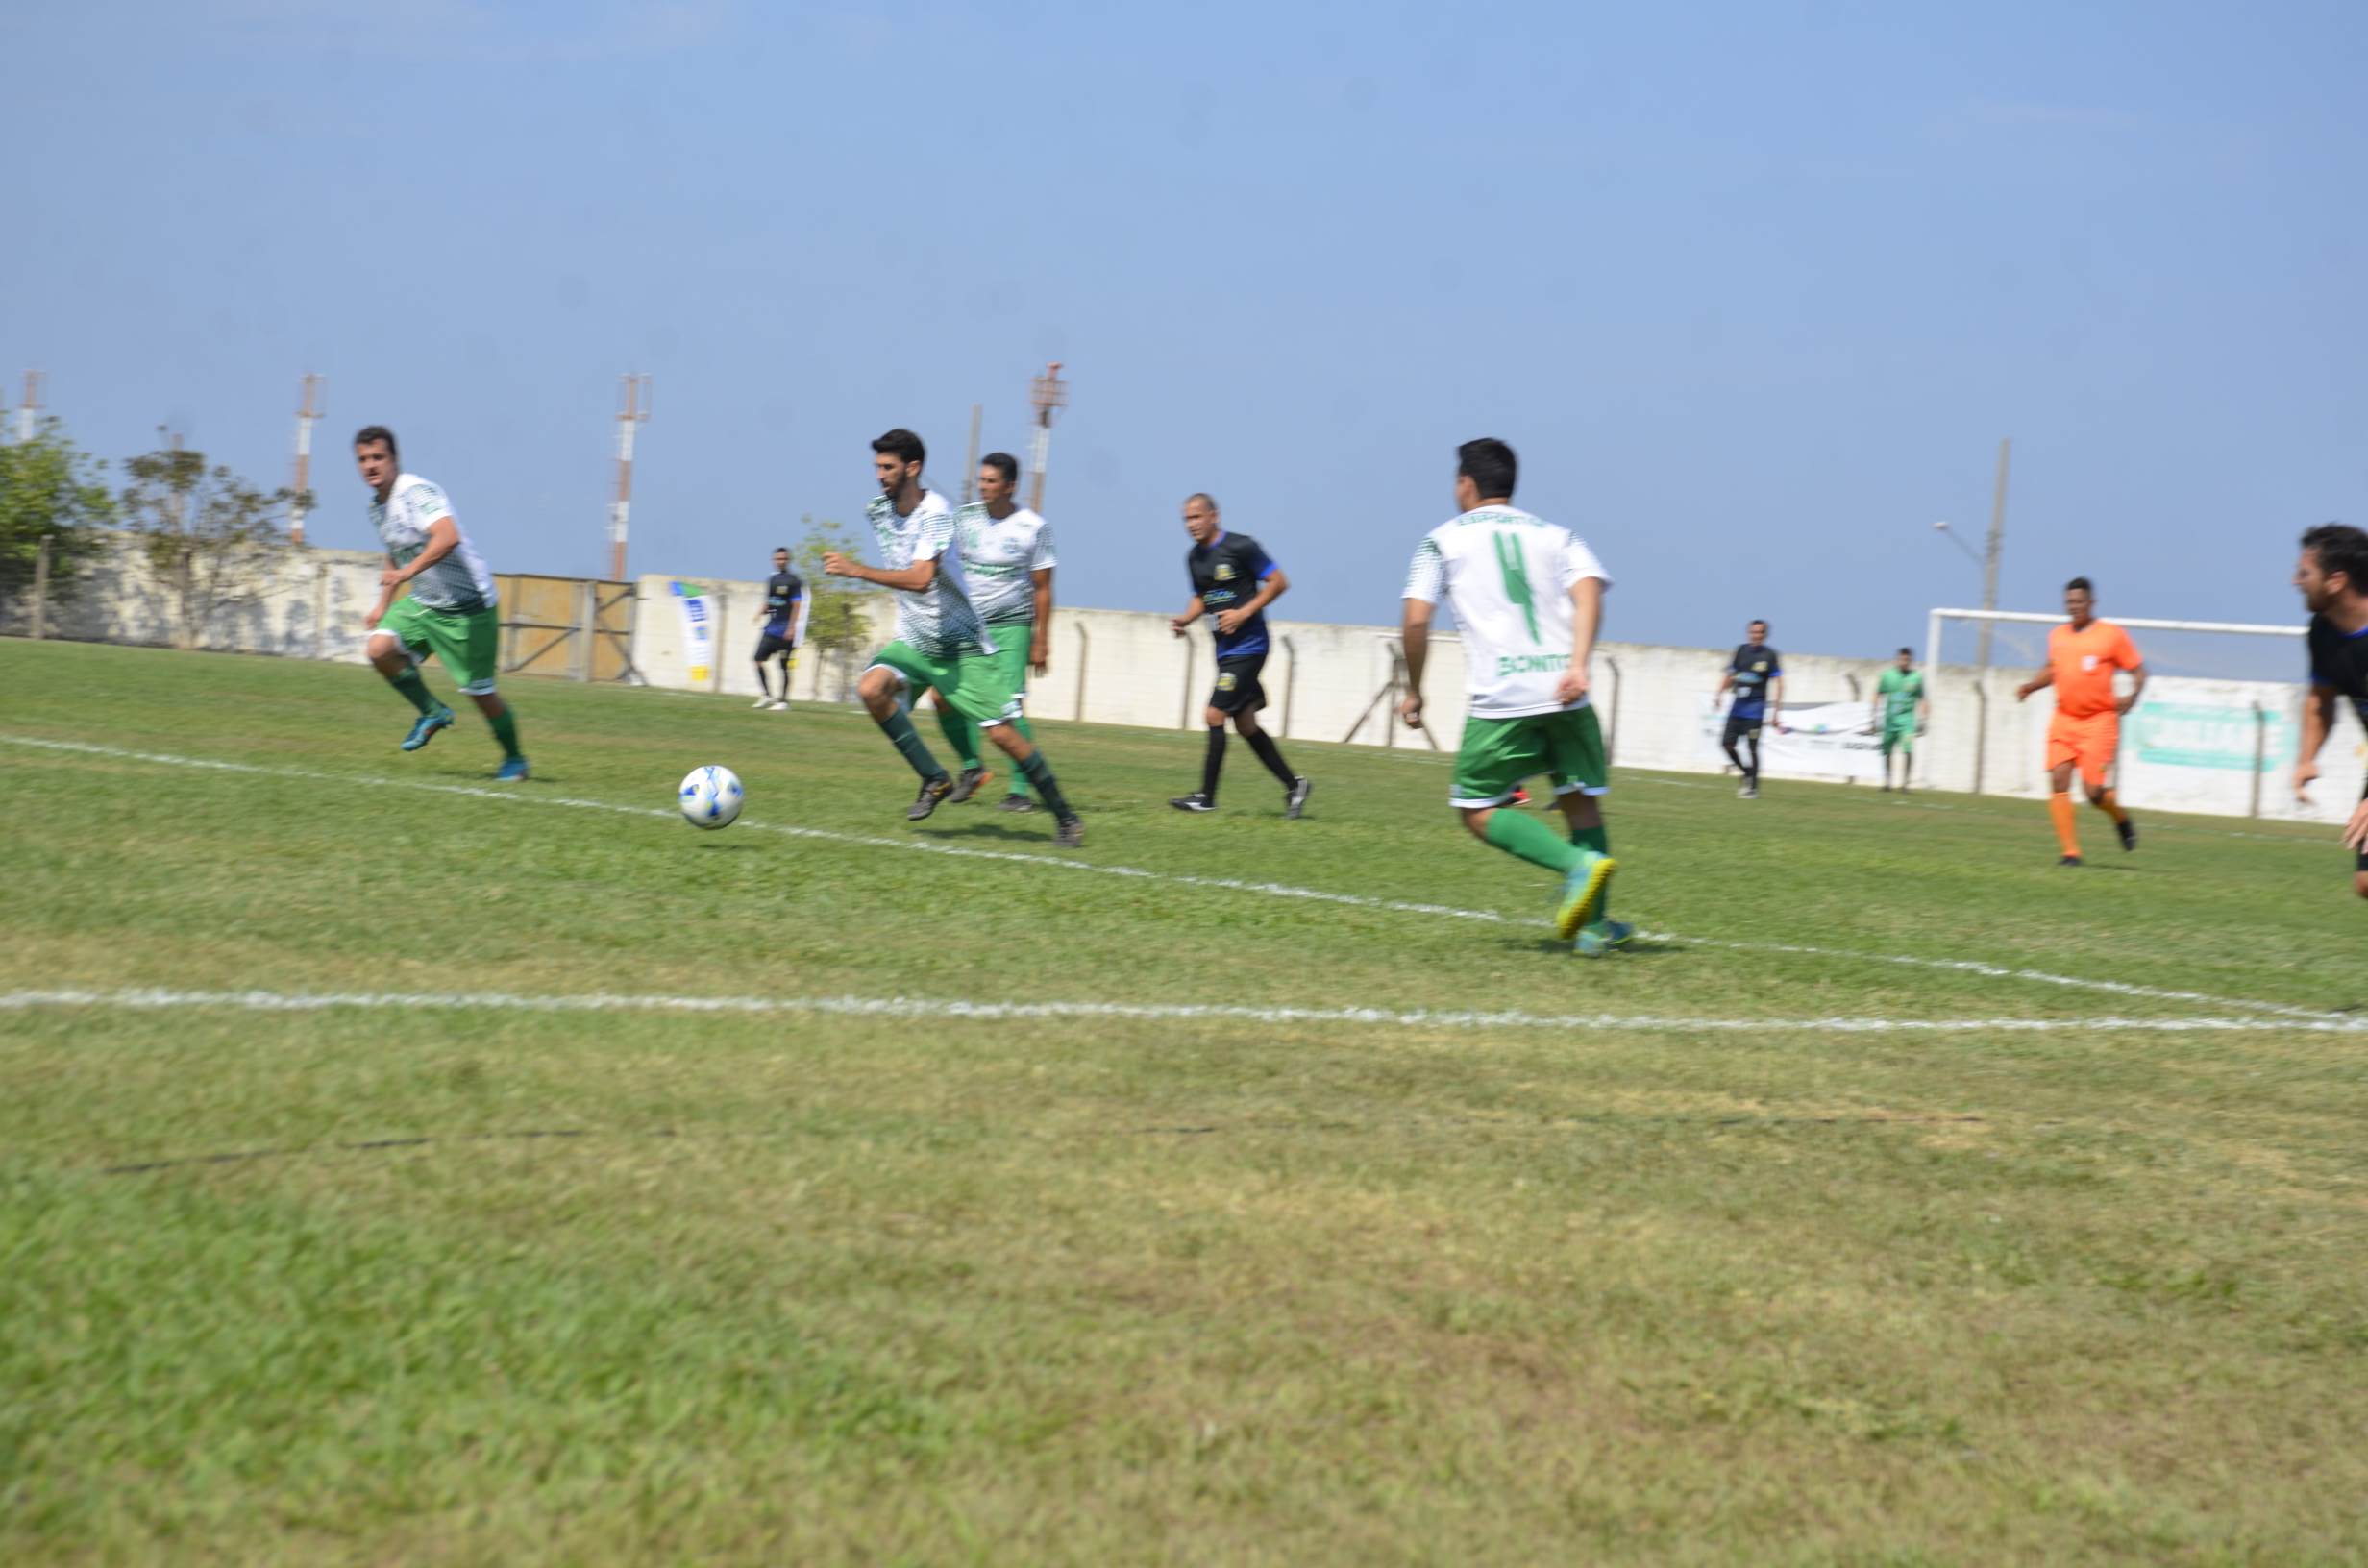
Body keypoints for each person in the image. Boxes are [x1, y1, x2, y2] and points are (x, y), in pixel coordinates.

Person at [1398, 438, 1626, 956]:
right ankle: (1593, 931)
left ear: (1466, 483)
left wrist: (1414, 689)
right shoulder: (1557, 534)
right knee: (1579, 804)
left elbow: (1416, 619)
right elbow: (1588, 592)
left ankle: (1577, 867)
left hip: (1504, 698)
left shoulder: (1440, 541)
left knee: (1475, 808)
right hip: (1566, 691)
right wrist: (1578, 664)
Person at [822, 429, 1084, 847]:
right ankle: (934, 777)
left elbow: (923, 578)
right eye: (877, 468)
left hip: (959, 644)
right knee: (871, 689)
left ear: (913, 468)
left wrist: (858, 570)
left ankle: (1066, 817)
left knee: (1002, 735)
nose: (880, 476)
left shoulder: (940, 513)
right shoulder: (878, 510)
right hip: (913, 639)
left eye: (888, 468)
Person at [354, 426, 528, 781]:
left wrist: (408, 573)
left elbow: (447, 537)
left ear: (395, 459)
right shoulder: (376, 508)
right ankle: (432, 712)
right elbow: (394, 552)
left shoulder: (416, 492)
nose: (370, 466)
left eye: (378, 457)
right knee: (378, 650)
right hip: (426, 602)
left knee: (482, 695)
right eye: (363, 460)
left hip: (468, 608)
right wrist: (382, 605)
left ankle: (515, 760)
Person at [1166, 493, 1312, 817]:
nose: (1191, 525)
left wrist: (1244, 613)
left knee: (1214, 715)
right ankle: (1294, 785)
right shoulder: (1194, 558)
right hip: (1225, 651)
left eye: (1196, 517)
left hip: (1250, 647)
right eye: (1186, 519)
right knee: (1245, 725)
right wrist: (1186, 619)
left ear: (1214, 516)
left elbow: (1278, 581)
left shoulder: (1242, 546)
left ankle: (1206, 796)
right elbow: (1201, 598)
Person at [939, 453, 1057, 811]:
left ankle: (1020, 790)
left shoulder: (1035, 528)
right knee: (943, 696)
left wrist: (1042, 639)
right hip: (967, 625)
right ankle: (972, 768)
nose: (983, 486)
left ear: (1010, 486)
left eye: (990, 481)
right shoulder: (963, 519)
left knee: (1009, 708)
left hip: (1011, 626)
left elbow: (1043, 587)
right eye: (981, 480)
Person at [2015, 576, 2144, 867]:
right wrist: (2032, 686)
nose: (2073, 607)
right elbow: (2054, 668)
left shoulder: (2111, 635)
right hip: (2064, 719)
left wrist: (2133, 696)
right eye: (2069, 602)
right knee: (2059, 780)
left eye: (2079, 601)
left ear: (2091, 603)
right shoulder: (2058, 636)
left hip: (2099, 722)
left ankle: (2120, 818)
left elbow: (2139, 672)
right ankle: (2070, 853)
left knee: (2093, 793)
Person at [2289, 523, 2368, 899]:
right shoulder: (2322, 632)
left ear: (2336, 581)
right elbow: (2321, 700)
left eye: (2305, 573)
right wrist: (2307, 758)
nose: (2294, 581)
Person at [1714, 621, 1784, 798]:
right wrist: (1719, 693)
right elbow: (1730, 674)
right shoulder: (1740, 651)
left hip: (1755, 711)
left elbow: (1779, 683)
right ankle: (1747, 773)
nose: (1756, 635)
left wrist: (1776, 710)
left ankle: (1752, 788)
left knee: (1752, 749)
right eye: (1753, 632)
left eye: (1760, 632)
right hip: (1737, 709)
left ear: (1765, 635)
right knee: (1726, 745)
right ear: (1748, 633)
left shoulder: (1769, 656)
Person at [751, 546, 805, 710]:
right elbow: (769, 601)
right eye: (778, 559)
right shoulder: (772, 581)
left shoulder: (794, 582)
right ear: (773, 561)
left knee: (783, 667)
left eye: (783, 559)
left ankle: (783, 702)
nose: (780, 561)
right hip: (771, 629)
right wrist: (760, 613)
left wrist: (791, 628)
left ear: (788, 560)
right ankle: (767, 696)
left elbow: (797, 605)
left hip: (785, 632)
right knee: (757, 660)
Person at [1870, 647, 1926, 792]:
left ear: (1910, 661)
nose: (1904, 662)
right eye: (1902, 659)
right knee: (1887, 752)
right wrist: (1873, 717)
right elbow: (1878, 695)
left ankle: (1905, 784)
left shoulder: (1916, 678)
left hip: (1907, 723)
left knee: (1907, 750)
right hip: (1890, 722)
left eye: (1907, 660)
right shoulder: (1887, 676)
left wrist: (1923, 720)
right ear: (1897, 660)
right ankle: (1887, 782)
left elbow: (1922, 699)